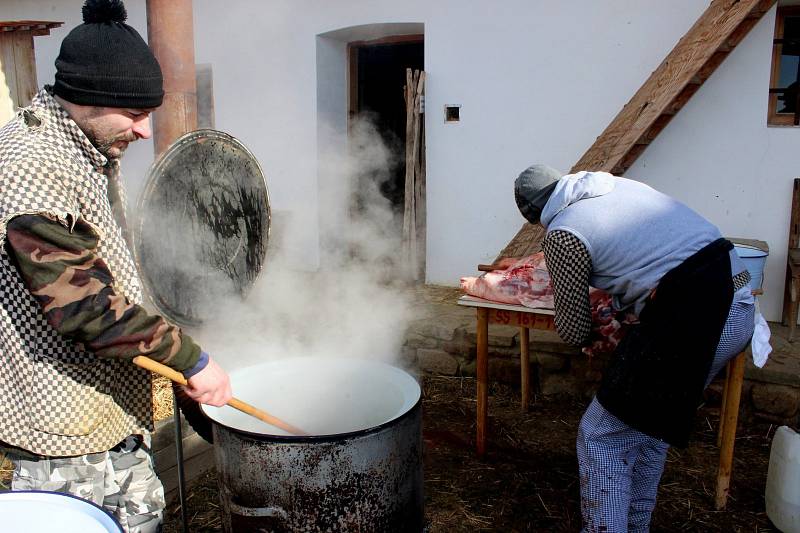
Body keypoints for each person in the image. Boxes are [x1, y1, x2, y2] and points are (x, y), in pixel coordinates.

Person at [0, 1, 231, 530]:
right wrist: (192, 361)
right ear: (86, 98)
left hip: (103, 414)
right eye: (134, 115)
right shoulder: (33, 164)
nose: (146, 131)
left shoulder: (83, 147)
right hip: (59, 431)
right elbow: (83, 305)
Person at [514, 164, 760, 532]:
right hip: (738, 305)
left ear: (535, 215)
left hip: (695, 316)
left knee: (601, 436)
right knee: (648, 426)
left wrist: (592, 334)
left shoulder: (563, 233)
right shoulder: (611, 187)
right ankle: (635, 525)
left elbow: (573, 328)